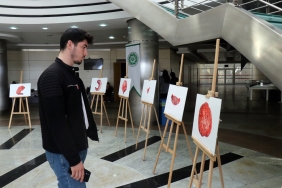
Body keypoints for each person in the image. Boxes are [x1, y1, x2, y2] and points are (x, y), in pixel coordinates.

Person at [37, 28, 99, 188]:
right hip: (63, 154)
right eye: (84, 47)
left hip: (74, 148)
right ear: (70, 44)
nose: (86, 53)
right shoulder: (52, 76)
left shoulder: (70, 74)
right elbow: (57, 123)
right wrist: (73, 159)